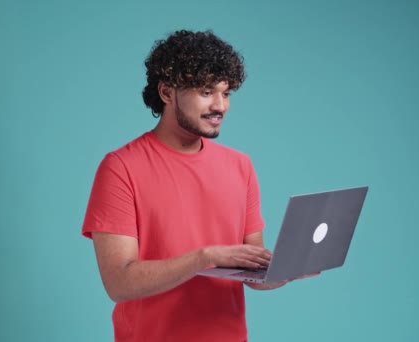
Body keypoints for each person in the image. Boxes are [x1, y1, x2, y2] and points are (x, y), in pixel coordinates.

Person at [82, 29, 312, 342]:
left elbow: (252, 271)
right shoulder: (121, 167)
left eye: (226, 93)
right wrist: (203, 257)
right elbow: (118, 282)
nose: (221, 106)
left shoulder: (240, 165)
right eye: (206, 92)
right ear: (167, 92)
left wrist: (284, 270)